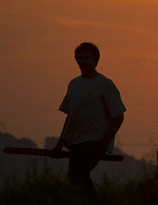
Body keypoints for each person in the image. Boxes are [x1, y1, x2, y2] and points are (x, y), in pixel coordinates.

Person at [52, 42, 126, 191]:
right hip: (75, 140)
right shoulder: (74, 84)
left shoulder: (105, 84)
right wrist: (60, 143)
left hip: (94, 140)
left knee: (78, 173)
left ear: (95, 60)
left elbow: (118, 116)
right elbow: (70, 117)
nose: (83, 61)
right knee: (75, 176)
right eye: (79, 58)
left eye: (86, 58)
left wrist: (103, 143)